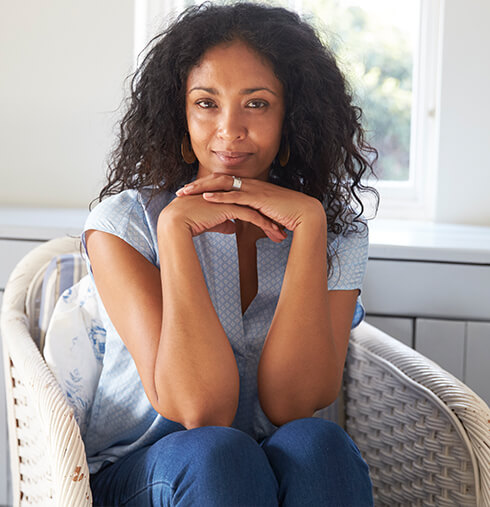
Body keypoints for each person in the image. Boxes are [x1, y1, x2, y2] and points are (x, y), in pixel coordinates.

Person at [82, 2, 379, 505]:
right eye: (206, 102)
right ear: (180, 113)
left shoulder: (335, 232)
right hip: (145, 470)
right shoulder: (125, 224)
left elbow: (294, 404)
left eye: (257, 104)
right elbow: (200, 410)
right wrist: (175, 231)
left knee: (320, 442)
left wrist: (309, 228)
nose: (229, 129)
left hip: (266, 464)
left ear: (293, 115)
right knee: (220, 453)